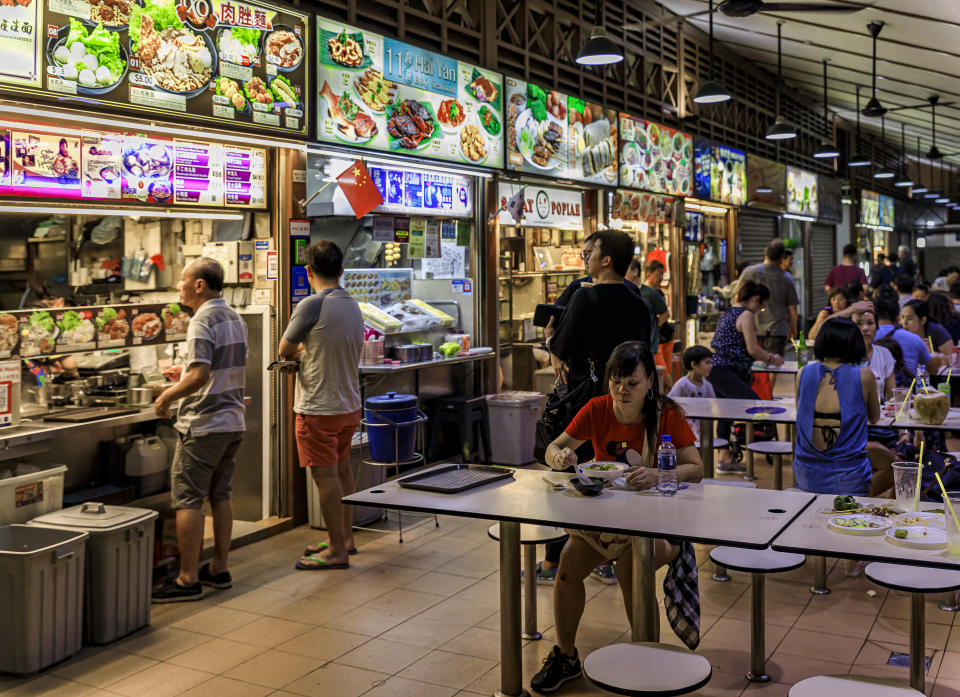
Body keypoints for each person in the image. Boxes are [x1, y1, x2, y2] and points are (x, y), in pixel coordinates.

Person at [532, 341, 703, 694]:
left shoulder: (666, 413)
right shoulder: (596, 408)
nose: (622, 390)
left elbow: (697, 468)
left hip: (659, 524)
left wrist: (660, 474)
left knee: (630, 567)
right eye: (615, 381)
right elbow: (555, 446)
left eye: (632, 383)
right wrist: (559, 457)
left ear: (650, 384)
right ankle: (565, 656)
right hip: (607, 520)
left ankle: (649, 661)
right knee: (566, 567)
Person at [540, 230, 653, 586]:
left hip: (588, 401)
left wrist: (549, 337)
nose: (585, 257)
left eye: (591, 252)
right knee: (618, 476)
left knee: (573, 478)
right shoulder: (638, 300)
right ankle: (611, 554)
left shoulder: (585, 300)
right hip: (629, 402)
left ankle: (558, 560)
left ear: (606, 260)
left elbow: (561, 343)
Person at [152, 258, 247, 603]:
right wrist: (186, 372)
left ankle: (187, 578)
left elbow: (201, 376)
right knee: (221, 495)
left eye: (182, 280)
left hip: (204, 424)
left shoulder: (201, 320)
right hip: (232, 421)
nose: (178, 285)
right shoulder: (234, 317)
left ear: (199, 286)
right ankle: (219, 568)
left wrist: (167, 394)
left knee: (188, 498)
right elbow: (215, 367)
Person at [278, 242, 364, 570]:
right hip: (348, 405)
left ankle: (337, 552)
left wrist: (302, 352)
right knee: (342, 470)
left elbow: (285, 348)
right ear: (341, 270)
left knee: (326, 477)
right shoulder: (352, 304)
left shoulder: (312, 304)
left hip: (319, 407)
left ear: (308, 272)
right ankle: (345, 538)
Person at [793, 318, 880, 495]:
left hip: (805, 474)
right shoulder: (864, 376)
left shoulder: (803, 373)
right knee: (889, 461)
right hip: (849, 477)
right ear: (854, 343)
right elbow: (875, 418)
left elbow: (800, 412)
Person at [709, 281, 783, 454]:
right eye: (762, 307)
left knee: (725, 414)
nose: (760, 311)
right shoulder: (746, 315)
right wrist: (772, 358)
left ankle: (725, 459)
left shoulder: (728, 311)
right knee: (757, 407)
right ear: (756, 300)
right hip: (727, 369)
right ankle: (758, 447)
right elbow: (753, 349)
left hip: (715, 368)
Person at [667, 346, 742, 470]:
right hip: (685, 431)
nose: (711, 366)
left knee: (701, 460)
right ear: (694, 364)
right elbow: (669, 403)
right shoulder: (682, 384)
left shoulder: (707, 386)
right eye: (707, 363)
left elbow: (713, 406)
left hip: (703, 431)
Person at [738, 239, 798, 355]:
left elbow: (738, 298)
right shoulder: (787, 278)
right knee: (774, 365)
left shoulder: (749, 272)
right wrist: (793, 328)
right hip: (777, 329)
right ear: (782, 256)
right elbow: (792, 307)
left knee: (753, 364)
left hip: (750, 326)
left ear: (765, 251)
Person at [874, 293, 942, 375]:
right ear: (898, 318)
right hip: (905, 387)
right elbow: (933, 370)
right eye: (903, 317)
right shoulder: (915, 339)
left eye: (909, 318)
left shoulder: (866, 337)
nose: (905, 322)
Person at [639, 259, 669, 358]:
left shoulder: (651, 292)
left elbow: (665, 315)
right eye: (658, 274)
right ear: (648, 274)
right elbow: (665, 314)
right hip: (648, 341)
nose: (661, 277)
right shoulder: (650, 292)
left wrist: (655, 325)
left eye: (662, 274)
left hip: (650, 341)